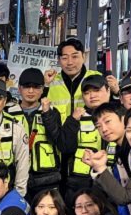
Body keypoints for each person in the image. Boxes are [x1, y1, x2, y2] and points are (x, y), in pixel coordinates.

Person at [48, 74, 112, 205]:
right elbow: (65, 147)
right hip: (79, 184)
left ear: (108, 90)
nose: (92, 96)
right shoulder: (76, 117)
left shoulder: (119, 115)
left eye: (96, 90)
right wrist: (73, 121)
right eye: (87, 93)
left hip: (112, 181)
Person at [16, 68, 62, 201]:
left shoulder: (52, 112)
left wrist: (47, 114)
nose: (31, 91)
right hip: (16, 177)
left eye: (36, 87)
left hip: (47, 179)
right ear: (19, 89)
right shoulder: (9, 112)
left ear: (42, 89)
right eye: (26, 86)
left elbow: (58, 140)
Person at [46, 38, 102, 122]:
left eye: (75, 56)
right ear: (59, 60)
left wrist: (116, 92)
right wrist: (45, 85)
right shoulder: (51, 81)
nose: (70, 62)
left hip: (90, 129)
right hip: (60, 130)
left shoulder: (97, 78)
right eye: (64, 58)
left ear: (83, 57)